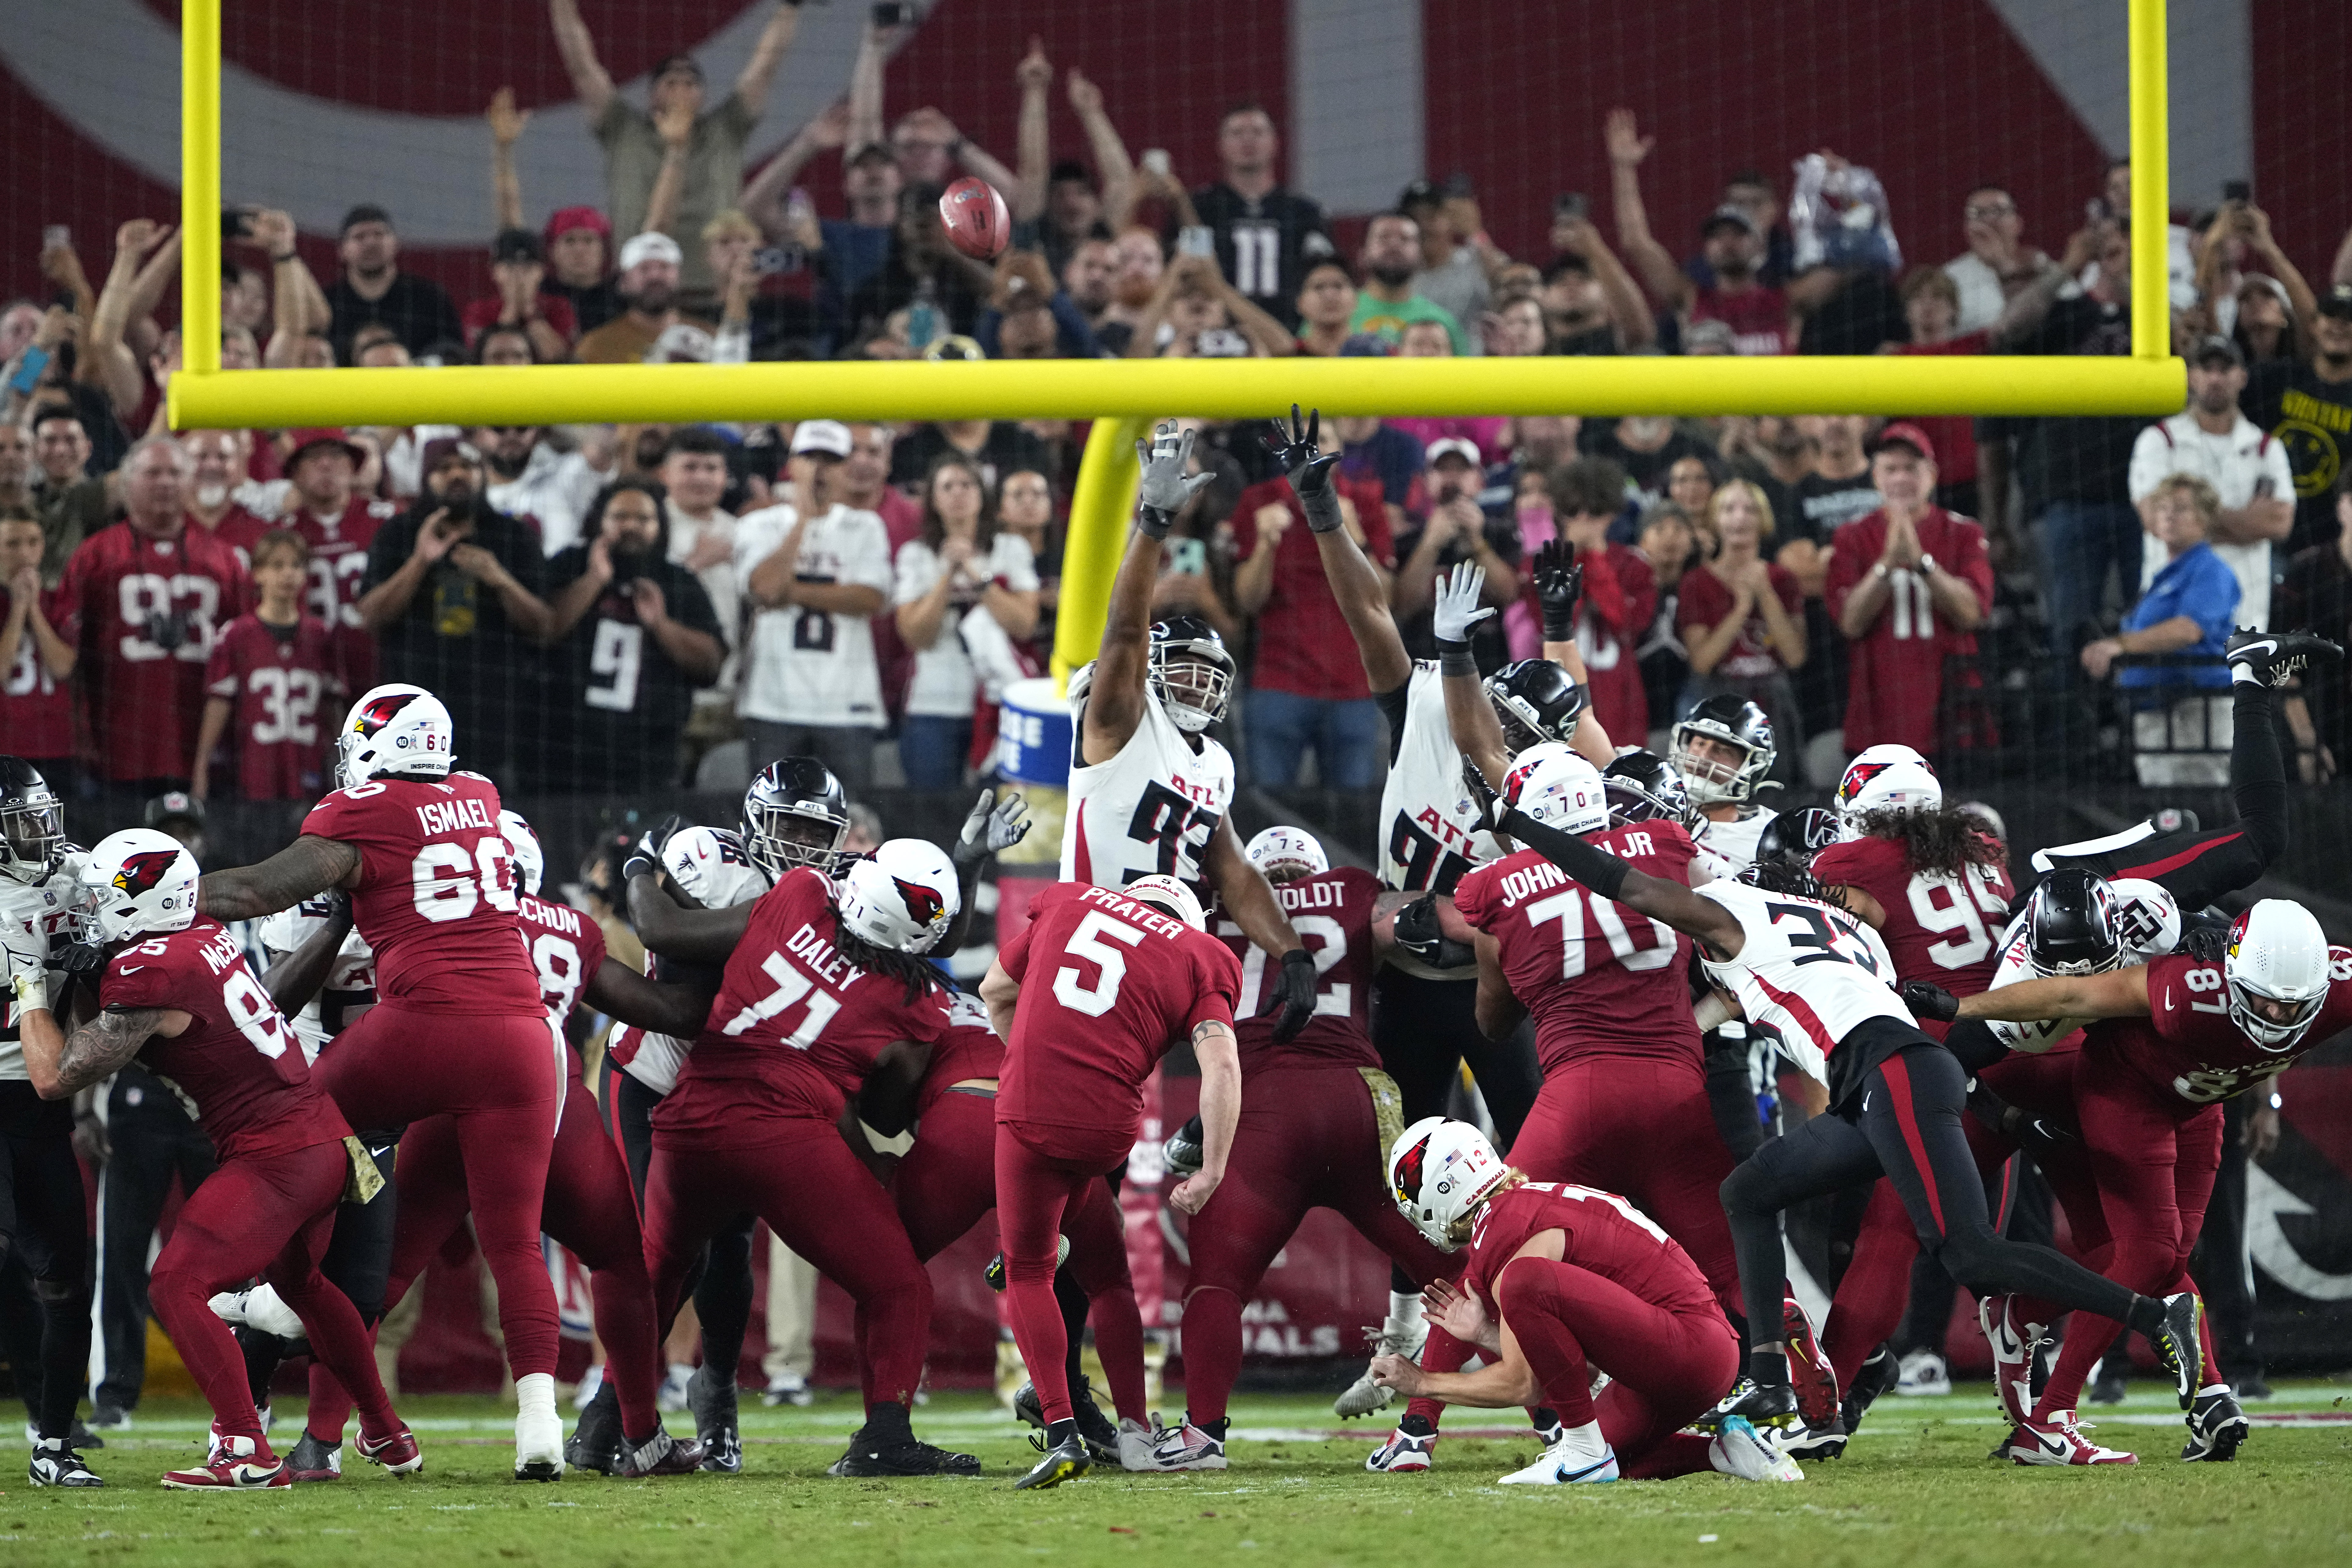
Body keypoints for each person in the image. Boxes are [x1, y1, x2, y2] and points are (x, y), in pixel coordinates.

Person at [1453, 755, 2208, 1439]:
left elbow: (1626, 885)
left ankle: (2152, 1312)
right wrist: (1998, 1113)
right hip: (1887, 1076)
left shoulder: (1737, 916)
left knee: (1968, 1249)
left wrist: (1520, 828)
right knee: (1747, 1189)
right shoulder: (1846, 928)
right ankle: (1765, 1377)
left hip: (1889, 1073)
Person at [191, 684, 577, 1479]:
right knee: (513, 1243)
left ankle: (252, 1302)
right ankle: (540, 1421)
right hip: (517, 1038)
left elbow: (262, 890)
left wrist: (152, 897)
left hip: (412, 1035)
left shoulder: (355, 817)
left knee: (295, 1171)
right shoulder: (480, 798)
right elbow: (287, 1000)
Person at [12, 829, 421, 1491]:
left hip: (277, 1154)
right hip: (321, 1138)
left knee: (175, 1285)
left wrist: (29, 985)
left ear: (140, 904)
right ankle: (385, 1431)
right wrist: (92, 973)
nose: (87, 909)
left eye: (98, 897)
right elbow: (116, 1021)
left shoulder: (155, 970)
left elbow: (58, 1075)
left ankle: (245, 1446)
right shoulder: (192, 935)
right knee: (306, 1288)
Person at [341, 812, 711, 1478]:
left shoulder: (428, 922)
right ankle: (638, 1433)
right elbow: (667, 1011)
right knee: (618, 1260)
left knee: (383, 1274)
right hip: (551, 1098)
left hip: (447, 1103)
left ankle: (327, 1432)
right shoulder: (571, 929)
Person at [1947, 896, 2350, 1463]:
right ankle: (2049, 1418)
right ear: (2234, 974)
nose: (2280, 1018)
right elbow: (2072, 994)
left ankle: (2030, 1313)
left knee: (2169, 1261)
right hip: (2126, 1092)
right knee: (2145, 1251)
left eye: (2295, 1005)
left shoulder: (2339, 984)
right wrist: (1962, 1007)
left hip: (2202, 1105)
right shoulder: (2187, 989)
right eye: (2267, 1001)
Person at [624, 834, 979, 1479]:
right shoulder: (915, 1002)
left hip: (688, 1118)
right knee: (897, 1285)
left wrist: (640, 863)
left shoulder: (798, 894)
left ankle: (625, 1432)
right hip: (785, 1136)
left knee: (657, 1277)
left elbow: (666, 931)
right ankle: (886, 1437)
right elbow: (882, 1117)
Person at [1156, 828, 1461, 1471]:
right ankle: (1556, 1416)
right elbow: (1421, 923)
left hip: (1258, 1106)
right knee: (1453, 1274)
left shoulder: (1209, 907)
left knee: (1215, 1283)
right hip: (1355, 1097)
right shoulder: (1354, 892)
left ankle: (1202, 1434)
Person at [979, 875, 1242, 1489]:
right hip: (1105, 1131)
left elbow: (995, 992)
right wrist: (1213, 1168)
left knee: (1027, 1271)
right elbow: (1223, 1063)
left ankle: (1063, 1431)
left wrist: (1031, 1065)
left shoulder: (1067, 900)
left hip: (1028, 1110)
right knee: (1108, 1275)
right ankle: (1133, 1431)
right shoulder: (1200, 953)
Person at [1369, 1120, 1798, 1486]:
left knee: (1524, 1283)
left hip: (1683, 1348)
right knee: (1618, 1462)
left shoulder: (1503, 1229)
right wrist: (1483, 1333)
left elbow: (1524, 1386)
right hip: (1688, 1354)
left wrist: (1423, 1383)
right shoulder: (1525, 1203)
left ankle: (1581, 1451)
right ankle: (1723, 1450)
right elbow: (1573, 1367)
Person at [1058, 422, 1316, 1016]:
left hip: (1165, 947)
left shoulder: (1215, 761)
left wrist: (1292, 951)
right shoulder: (1124, 718)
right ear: (1151, 673)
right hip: (1090, 938)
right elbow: (1124, 634)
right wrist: (1152, 523)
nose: (1196, 682)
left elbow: (1234, 872)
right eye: (1181, 668)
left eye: (1207, 671)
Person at [548, 0, 801, 296]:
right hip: (641, 288)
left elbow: (764, 68)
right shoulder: (622, 129)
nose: (681, 89)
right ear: (651, 96)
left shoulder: (726, 129)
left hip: (717, 289)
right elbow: (581, 66)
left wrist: (790, 9)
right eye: (671, 82)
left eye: (690, 83)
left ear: (703, 96)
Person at [0, 759, 100, 1486]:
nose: (42, 833)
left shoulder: (80, 875)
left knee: (68, 1275)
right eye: (21, 822)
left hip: (40, 1098)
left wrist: (96, 965)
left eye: (41, 815)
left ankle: (54, 1442)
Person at [356, 442, 555, 795]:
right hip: (410, 721)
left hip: (494, 720)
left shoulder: (513, 536)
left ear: (483, 474)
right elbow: (371, 617)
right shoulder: (398, 533)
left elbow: (544, 627)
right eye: (445, 468)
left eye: (467, 466)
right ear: (426, 477)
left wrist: (499, 578)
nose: (457, 475)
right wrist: (420, 560)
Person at [58, 437, 253, 795]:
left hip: (205, 749)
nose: (165, 483)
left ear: (190, 482)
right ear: (128, 484)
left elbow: (246, 651)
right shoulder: (95, 556)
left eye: (175, 473)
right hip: (117, 743)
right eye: (153, 473)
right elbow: (69, 655)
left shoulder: (225, 560)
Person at [1229, 420, 1395, 788]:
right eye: (1300, 441)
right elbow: (1247, 602)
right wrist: (1265, 545)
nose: (1310, 451)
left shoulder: (1365, 503)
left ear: (1341, 450)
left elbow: (1386, 600)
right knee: (1266, 814)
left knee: (1356, 821)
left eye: (1320, 440)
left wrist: (1355, 537)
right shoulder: (1260, 502)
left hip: (1354, 687)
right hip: (1279, 683)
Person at [733, 420, 892, 794]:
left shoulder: (866, 526)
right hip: (771, 701)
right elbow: (765, 588)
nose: (819, 469)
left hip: (847, 703)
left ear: (844, 469)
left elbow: (870, 598)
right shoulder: (759, 523)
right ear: (792, 465)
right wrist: (802, 521)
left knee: (854, 822)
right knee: (767, 818)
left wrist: (791, 592)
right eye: (810, 458)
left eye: (831, 459)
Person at [544, 480, 725, 792]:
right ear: (600, 520)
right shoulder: (569, 565)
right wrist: (594, 581)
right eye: (619, 517)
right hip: (563, 755)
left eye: (643, 519)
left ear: (660, 526)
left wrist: (661, 625)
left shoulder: (679, 583)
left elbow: (710, 666)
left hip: (651, 759)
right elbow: (541, 632)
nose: (631, 526)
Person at [1826, 425, 1993, 761]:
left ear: (1931, 475)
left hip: (1952, 706)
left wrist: (1921, 563)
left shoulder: (1963, 532)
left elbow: (1971, 613)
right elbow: (1850, 623)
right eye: (1891, 469)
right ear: (1875, 477)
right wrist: (1887, 563)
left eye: (1911, 469)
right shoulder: (1851, 536)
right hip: (1875, 713)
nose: (1901, 478)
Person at [891, 454, 1040, 787]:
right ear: (933, 499)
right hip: (933, 702)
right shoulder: (914, 555)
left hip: (1000, 698)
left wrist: (975, 573)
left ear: (982, 494)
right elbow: (916, 635)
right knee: (934, 814)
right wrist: (947, 575)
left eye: (967, 485)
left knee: (1000, 815)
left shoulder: (1011, 548)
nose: (958, 493)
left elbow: (1024, 623)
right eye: (947, 486)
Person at [2128, 336, 2295, 631]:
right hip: (2170, 606)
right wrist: (2246, 522)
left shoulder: (2266, 447)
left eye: (2225, 369)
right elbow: (2156, 521)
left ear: (2242, 377)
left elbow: (2279, 525)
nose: (2215, 378)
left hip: (2246, 607)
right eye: (2207, 369)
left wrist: (2189, 519)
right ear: (2192, 377)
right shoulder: (2158, 440)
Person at [191, 529, 339, 801]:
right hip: (252, 775)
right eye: (277, 565)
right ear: (258, 573)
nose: (288, 574)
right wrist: (202, 766)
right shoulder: (237, 635)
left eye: (296, 565)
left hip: (308, 769)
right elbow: (219, 704)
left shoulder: (320, 635)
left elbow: (333, 707)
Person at [1679, 480, 1807, 754]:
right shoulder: (1696, 582)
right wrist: (1741, 608)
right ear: (1715, 519)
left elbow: (1795, 656)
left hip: (1774, 706)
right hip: (1718, 702)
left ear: (1764, 520)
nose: (1740, 517)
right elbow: (1702, 662)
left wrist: (1765, 593)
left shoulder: (1784, 580)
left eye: (1750, 509)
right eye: (1729, 509)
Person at [1180, 103, 1334, 330]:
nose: (1248, 141)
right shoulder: (1200, 208)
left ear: (1275, 143)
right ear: (1221, 145)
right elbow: (1185, 271)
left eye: (1257, 133)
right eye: (1237, 133)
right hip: (1217, 333)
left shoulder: (1304, 212)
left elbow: (1327, 275)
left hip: (1291, 334)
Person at [270, 428, 397, 695]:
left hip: (383, 664)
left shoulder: (388, 522)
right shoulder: (283, 535)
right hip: (310, 670)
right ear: (295, 473)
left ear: (353, 467)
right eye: (314, 457)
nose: (326, 464)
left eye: (336, 455)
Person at [321, 206, 464, 362]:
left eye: (379, 234)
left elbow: (454, 352)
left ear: (396, 243)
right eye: (359, 237)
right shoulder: (326, 303)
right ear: (342, 250)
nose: (371, 243)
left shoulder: (429, 298)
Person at [0, 512, 76, 779]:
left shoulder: (60, 601)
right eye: (13, 544)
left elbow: (63, 667)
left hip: (56, 745)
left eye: (33, 542)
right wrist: (18, 609)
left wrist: (34, 610)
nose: (25, 553)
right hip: (5, 745)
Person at [1349, 215, 1470, 355]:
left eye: (1404, 239)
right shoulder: (1336, 314)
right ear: (1362, 254)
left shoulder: (1443, 322)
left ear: (1421, 255)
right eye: (1384, 238)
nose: (1394, 246)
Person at [575, 233, 697, 365]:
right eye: (644, 269)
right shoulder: (596, 346)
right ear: (624, 282)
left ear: (679, 277)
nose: (655, 276)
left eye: (664, 267)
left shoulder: (707, 338)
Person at [1941, 185, 2047, 335]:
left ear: (2018, 224)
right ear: (1967, 230)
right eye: (1978, 214)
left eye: (1999, 211)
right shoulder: (1948, 279)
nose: (1989, 220)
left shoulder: (2043, 267)